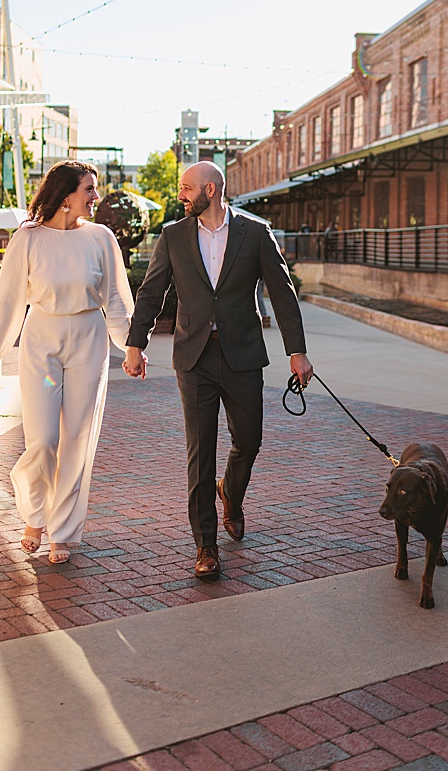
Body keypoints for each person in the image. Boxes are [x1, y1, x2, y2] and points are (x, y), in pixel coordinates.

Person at [122, 161, 313, 581]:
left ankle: (232, 494)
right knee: (200, 451)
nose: (181, 195)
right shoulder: (173, 237)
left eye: (187, 188)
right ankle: (205, 545)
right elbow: (152, 292)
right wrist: (136, 343)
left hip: (243, 355)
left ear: (211, 189)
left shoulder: (254, 233)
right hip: (194, 358)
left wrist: (296, 352)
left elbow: (282, 293)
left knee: (249, 439)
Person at [0, 161, 134, 565]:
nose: (95, 197)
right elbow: (9, 295)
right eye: (89, 189)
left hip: (88, 339)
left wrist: (131, 345)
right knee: (43, 439)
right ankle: (33, 514)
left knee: (76, 440)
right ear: (66, 195)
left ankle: (62, 531)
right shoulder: (28, 239)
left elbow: (117, 296)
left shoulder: (100, 238)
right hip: (41, 341)